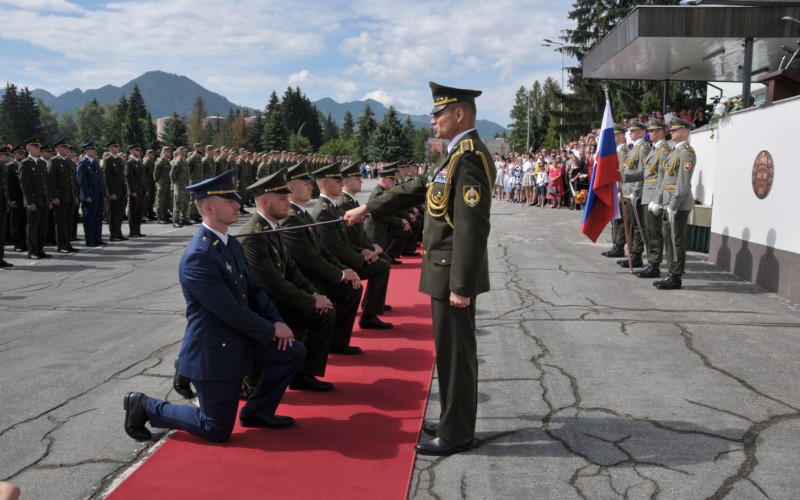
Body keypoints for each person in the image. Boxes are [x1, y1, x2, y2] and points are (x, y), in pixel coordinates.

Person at [345, 82, 495, 456]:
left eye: (438, 113)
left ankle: (458, 432)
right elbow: (415, 188)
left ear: (458, 115)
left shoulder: (469, 156)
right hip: (443, 269)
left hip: (452, 274)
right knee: (447, 352)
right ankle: (450, 418)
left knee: (457, 354)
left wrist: (461, 284)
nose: (432, 120)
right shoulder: (453, 154)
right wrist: (368, 208)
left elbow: (471, 227)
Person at [123, 170, 305, 443]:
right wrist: (270, 330)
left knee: (292, 351)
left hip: (240, 339)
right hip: (215, 352)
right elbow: (231, 311)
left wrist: (276, 321)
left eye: (235, 199)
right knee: (216, 430)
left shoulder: (230, 243)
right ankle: (145, 406)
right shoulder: (200, 256)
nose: (237, 204)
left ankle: (256, 411)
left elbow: (255, 290)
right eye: (229, 200)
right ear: (208, 207)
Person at [238, 168, 338, 392]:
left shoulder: (272, 226)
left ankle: (303, 374)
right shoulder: (253, 235)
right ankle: (250, 381)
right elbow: (273, 283)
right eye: (282, 198)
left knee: (325, 312)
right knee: (316, 311)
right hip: (262, 307)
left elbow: (291, 270)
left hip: (278, 299)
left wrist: (314, 294)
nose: (287, 202)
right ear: (264, 202)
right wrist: (311, 301)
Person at [279, 160, 363, 374]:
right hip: (306, 280)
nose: (310, 186)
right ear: (290, 187)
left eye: (309, 182)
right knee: (325, 309)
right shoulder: (291, 219)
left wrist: (344, 270)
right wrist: (340, 274)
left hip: (315, 276)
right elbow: (310, 260)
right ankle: (305, 371)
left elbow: (323, 250)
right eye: (304, 182)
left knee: (352, 286)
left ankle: (336, 342)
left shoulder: (303, 214)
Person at [311, 161, 393, 331]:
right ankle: (368, 314)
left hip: (344, 257)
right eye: (337, 180)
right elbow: (334, 247)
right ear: (325, 183)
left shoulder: (332, 206)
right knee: (381, 265)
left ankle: (371, 309)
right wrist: (359, 257)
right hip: (338, 263)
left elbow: (346, 241)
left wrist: (365, 251)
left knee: (382, 262)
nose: (341, 183)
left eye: (341, 180)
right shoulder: (325, 210)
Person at [650, 118, 697, 290]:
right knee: (669, 239)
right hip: (668, 201)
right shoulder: (673, 151)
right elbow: (664, 180)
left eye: (675, 130)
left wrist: (674, 205)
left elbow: (682, 183)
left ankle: (676, 276)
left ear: (685, 131)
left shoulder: (687, 153)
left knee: (676, 240)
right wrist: (658, 199)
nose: (672, 132)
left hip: (678, 204)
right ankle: (671, 273)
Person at [618, 121, 650, 268]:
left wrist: (635, 191)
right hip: (628, 191)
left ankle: (637, 255)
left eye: (632, 131)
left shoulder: (643, 149)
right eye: (629, 131)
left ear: (641, 132)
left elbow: (643, 173)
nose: (629, 133)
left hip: (636, 193)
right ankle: (632, 254)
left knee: (637, 225)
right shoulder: (632, 149)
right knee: (630, 224)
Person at [18, 137, 52, 259]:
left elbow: (45, 184)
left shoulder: (41, 163)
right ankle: (32, 251)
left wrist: (48, 200)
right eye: (36, 147)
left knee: (42, 227)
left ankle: (40, 249)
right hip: (34, 201)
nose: (39, 149)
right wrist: (30, 202)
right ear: (29, 149)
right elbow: (25, 184)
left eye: (39, 147)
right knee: (33, 227)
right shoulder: (25, 163)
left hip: (43, 200)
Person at [48, 138, 79, 253]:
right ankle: (61, 246)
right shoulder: (54, 161)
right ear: (57, 149)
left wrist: (75, 196)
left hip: (70, 197)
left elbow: (73, 181)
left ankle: (68, 244)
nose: (67, 149)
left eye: (67, 148)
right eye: (64, 147)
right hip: (60, 198)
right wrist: (54, 197)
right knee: (61, 223)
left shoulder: (69, 162)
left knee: (69, 223)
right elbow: (51, 181)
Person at [601, 125, 629, 258]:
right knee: (615, 219)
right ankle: (615, 243)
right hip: (614, 189)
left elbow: (623, 174)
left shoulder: (624, 152)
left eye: (616, 135)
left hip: (620, 190)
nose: (613, 137)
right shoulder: (615, 152)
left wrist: (620, 190)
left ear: (622, 136)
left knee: (620, 219)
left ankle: (619, 246)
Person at [103, 139, 126, 241]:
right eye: (115, 146)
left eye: (117, 146)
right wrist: (111, 193)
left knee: (119, 213)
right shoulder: (108, 161)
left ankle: (119, 232)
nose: (117, 148)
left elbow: (122, 177)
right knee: (113, 214)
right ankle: (113, 234)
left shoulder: (119, 160)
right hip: (113, 192)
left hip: (121, 191)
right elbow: (107, 179)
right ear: (110, 148)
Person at [124, 144, 147, 238]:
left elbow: (143, 178)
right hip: (134, 191)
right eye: (136, 150)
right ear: (131, 151)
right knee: (133, 212)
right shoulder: (129, 163)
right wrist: (132, 191)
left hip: (141, 190)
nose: (138, 151)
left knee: (139, 211)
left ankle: (137, 230)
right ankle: (132, 232)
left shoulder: (139, 162)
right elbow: (129, 178)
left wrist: (146, 189)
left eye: (139, 150)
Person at [0, 146, 12, 267]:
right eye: (5, 155)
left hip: (2, 204)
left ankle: (0, 257)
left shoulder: (3, 167)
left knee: (1, 233)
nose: (8, 157)